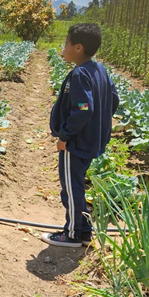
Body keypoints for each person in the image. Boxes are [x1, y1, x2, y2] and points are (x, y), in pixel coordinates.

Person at [43, 23, 120, 248]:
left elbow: (83, 109)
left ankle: (73, 235)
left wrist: (64, 136)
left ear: (78, 47)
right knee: (76, 184)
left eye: (65, 44)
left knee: (71, 188)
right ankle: (84, 232)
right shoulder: (100, 71)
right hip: (92, 140)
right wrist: (99, 124)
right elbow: (113, 100)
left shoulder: (79, 74)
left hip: (75, 143)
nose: (63, 48)